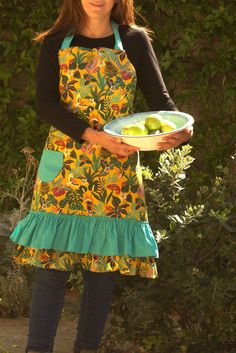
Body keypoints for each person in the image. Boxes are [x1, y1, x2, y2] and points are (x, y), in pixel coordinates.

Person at [10, 1, 193, 352]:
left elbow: (162, 104)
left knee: (102, 270)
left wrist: (180, 130)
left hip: (115, 170)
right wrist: (97, 138)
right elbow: (46, 104)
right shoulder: (56, 41)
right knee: (51, 266)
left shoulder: (135, 40)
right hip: (64, 168)